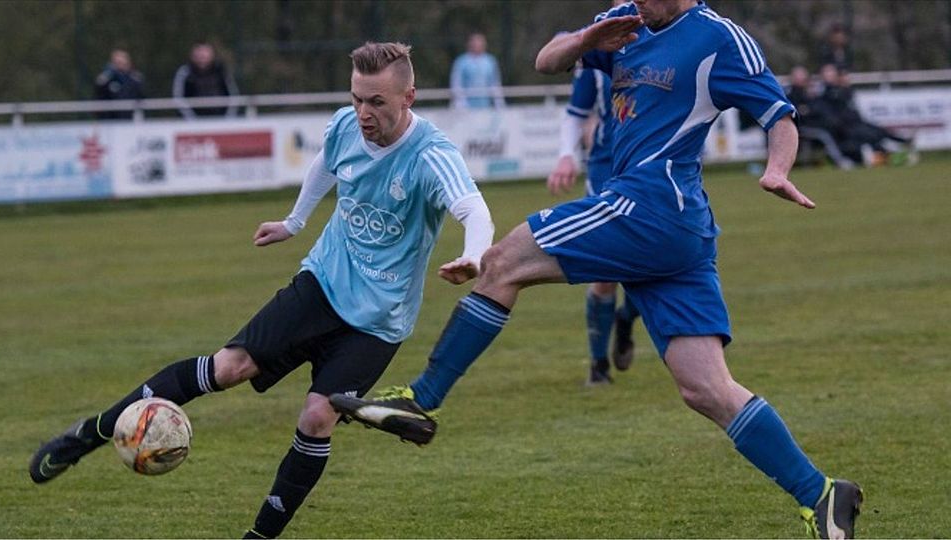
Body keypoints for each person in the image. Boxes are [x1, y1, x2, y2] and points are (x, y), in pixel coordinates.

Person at [333, 2, 863, 538]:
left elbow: (779, 115)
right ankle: (821, 493)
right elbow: (546, 60)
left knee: (500, 264)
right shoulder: (624, 19)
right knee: (706, 387)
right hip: (671, 230)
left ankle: (422, 400)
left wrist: (776, 171)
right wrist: (588, 38)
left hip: (652, 206)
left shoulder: (719, 39)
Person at [29, 41, 495, 539]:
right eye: (357, 98)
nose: (363, 112)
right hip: (322, 283)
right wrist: (295, 222)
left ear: (409, 98)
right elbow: (325, 165)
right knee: (228, 367)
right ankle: (89, 434)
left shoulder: (430, 154)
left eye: (376, 102)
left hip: (380, 321)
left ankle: (259, 537)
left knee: (317, 417)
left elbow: (474, 209)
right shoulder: (344, 125)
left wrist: (474, 254)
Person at [547, 28, 639, 384]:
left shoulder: (674, 37)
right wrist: (566, 155)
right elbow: (576, 110)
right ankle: (599, 366)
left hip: (652, 166)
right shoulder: (600, 40)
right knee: (605, 270)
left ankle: (626, 317)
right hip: (605, 167)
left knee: (661, 262)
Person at [784, 65, 854, 169]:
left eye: (803, 78)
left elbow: (813, 109)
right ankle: (840, 161)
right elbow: (798, 113)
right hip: (802, 127)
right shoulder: (791, 95)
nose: (802, 80)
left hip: (815, 124)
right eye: (799, 77)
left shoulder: (809, 93)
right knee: (824, 134)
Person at [172, 43, 241, 119]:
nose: (202, 57)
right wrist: (191, 119)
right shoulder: (185, 72)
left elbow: (233, 95)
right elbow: (179, 97)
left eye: (204, 53)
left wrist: (227, 118)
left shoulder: (221, 71)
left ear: (211, 54)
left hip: (221, 119)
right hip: (192, 122)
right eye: (199, 54)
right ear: (192, 55)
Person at [449, 32, 506, 109]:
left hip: (485, 105)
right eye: (474, 43)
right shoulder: (461, 61)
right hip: (466, 105)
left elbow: (495, 83)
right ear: (469, 44)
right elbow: (456, 83)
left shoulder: (490, 61)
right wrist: (460, 102)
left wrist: (499, 103)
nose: (477, 45)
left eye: (480, 43)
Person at [94, 49, 145, 120]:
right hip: (109, 119)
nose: (120, 65)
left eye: (122, 62)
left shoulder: (134, 78)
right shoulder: (107, 77)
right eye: (117, 62)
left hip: (129, 117)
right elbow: (99, 89)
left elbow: (140, 95)